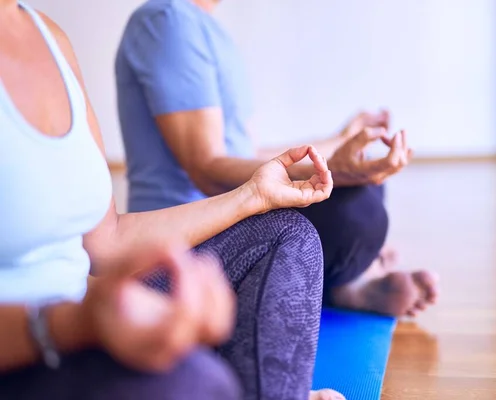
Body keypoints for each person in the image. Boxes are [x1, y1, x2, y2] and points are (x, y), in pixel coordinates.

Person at [0, 1, 342, 399]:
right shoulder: (164, 21)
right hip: (28, 346)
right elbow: (206, 162)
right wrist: (74, 324)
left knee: (287, 233)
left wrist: (254, 195)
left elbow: (106, 242)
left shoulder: (50, 38)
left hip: (84, 318)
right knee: (194, 383)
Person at [116, 0, 439, 318]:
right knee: (356, 211)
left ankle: (347, 281)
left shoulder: (204, 26)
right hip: (188, 237)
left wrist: (341, 143)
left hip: (232, 208)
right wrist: (336, 172)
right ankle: (347, 282)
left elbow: (246, 157)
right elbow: (208, 170)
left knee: (364, 183)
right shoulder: (167, 20)